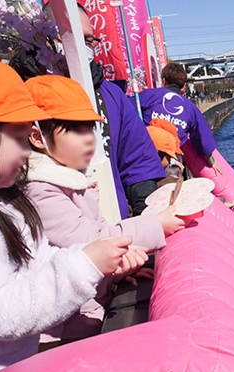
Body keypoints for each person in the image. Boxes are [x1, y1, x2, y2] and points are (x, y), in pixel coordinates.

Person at [0, 58, 133, 372]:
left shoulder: (0, 198)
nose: (28, 151)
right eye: (18, 137)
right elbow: (0, 314)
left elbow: (39, 261)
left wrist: (102, 265)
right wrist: (85, 265)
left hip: (17, 369)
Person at [24, 75, 186, 340]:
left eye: (90, 128)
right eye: (76, 130)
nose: (89, 139)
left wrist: (114, 276)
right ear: (37, 137)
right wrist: (157, 224)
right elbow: (93, 242)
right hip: (64, 331)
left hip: (85, 310)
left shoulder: (67, 179)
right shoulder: (40, 189)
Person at [41, 2, 165, 218]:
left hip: (114, 222)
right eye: (70, 37)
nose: (82, 46)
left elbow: (137, 161)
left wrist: (148, 215)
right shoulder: (25, 92)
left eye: (89, 40)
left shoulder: (112, 95)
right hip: (52, 226)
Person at [138, 63, 224, 176]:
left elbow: (127, 109)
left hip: (145, 150)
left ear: (164, 81)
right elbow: (202, 139)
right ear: (183, 85)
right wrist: (212, 162)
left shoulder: (149, 95)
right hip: (172, 158)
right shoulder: (190, 107)